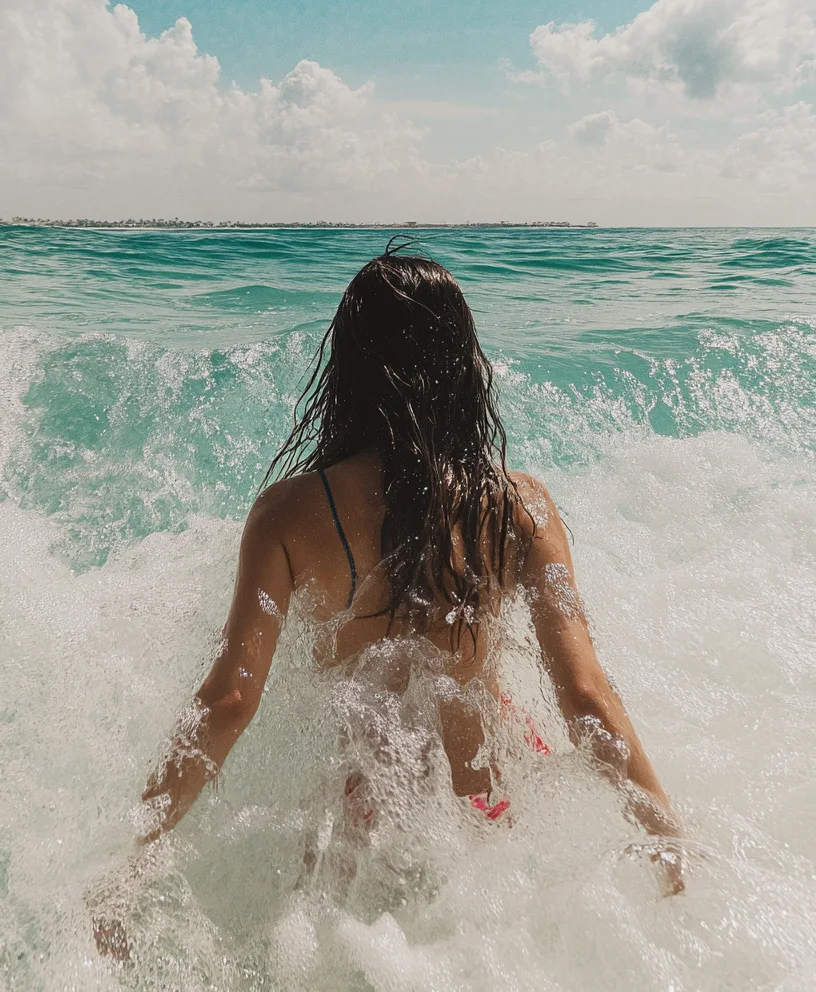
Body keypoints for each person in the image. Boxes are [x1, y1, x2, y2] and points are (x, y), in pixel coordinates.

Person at [94, 247, 681, 958]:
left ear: (347, 370)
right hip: (486, 808)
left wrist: (127, 862)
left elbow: (229, 703)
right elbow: (584, 696)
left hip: (360, 813)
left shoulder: (288, 514)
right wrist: (665, 836)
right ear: (464, 365)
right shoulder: (521, 507)